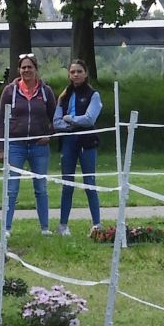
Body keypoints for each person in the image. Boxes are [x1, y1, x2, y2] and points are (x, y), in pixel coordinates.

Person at [0, 52, 55, 234]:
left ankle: (45, 228)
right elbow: (1, 120)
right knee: (12, 188)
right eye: (23, 67)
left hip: (39, 146)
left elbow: (56, 118)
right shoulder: (9, 91)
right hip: (15, 145)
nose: (26, 70)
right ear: (18, 70)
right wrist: (1, 148)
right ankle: (6, 227)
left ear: (36, 70)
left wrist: (50, 136)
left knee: (41, 188)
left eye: (30, 67)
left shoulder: (46, 92)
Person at [53, 59, 103, 235]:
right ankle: (63, 225)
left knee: (89, 182)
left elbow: (90, 119)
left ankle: (97, 224)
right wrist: (71, 125)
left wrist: (70, 119)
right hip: (68, 142)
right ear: (69, 74)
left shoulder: (93, 95)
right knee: (67, 184)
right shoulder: (64, 96)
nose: (76, 75)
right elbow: (56, 122)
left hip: (87, 142)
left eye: (79, 71)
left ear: (86, 73)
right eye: (72, 72)